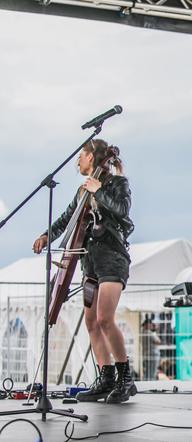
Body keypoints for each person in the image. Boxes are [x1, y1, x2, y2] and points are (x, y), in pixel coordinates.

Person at [32, 139, 136, 404]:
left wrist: (99, 191)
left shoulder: (116, 183)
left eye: (81, 155)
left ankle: (126, 377)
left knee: (104, 319)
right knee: (91, 322)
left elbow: (123, 212)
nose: (78, 160)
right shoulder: (81, 191)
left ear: (92, 157)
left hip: (112, 259)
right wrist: (47, 235)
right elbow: (67, 219)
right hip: (89, 262)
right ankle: (106, 377)